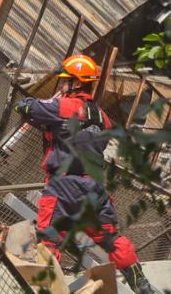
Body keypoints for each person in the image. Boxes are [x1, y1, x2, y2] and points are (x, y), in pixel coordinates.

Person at [15, 54, 154, 294]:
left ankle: (45, 291)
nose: (60, 85)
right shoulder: (103, 118)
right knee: (113, 240)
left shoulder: (64, 106)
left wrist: (50, 105)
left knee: (49, 240)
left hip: (63, 187)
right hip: (94, 189)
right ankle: (142, 286)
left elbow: (25, 107)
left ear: (77, 83)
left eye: (64, 81)